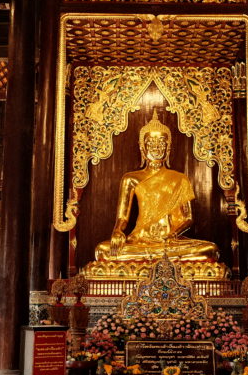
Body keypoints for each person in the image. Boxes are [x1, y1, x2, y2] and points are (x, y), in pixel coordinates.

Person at [93, 110, 219, 263]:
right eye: (151, 143)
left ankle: (152, 260)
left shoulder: (179, 179)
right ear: (142, 147)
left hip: (169, 242)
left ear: (168, 147)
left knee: (210, 250)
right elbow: (122, 216)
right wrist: (117, 231)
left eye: (161, 143)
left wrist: (171, 235)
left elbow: (187, 218)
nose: (156, 147)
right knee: (102, 251)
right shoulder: (131, 179)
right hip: (140, 241)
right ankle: (157, 260)